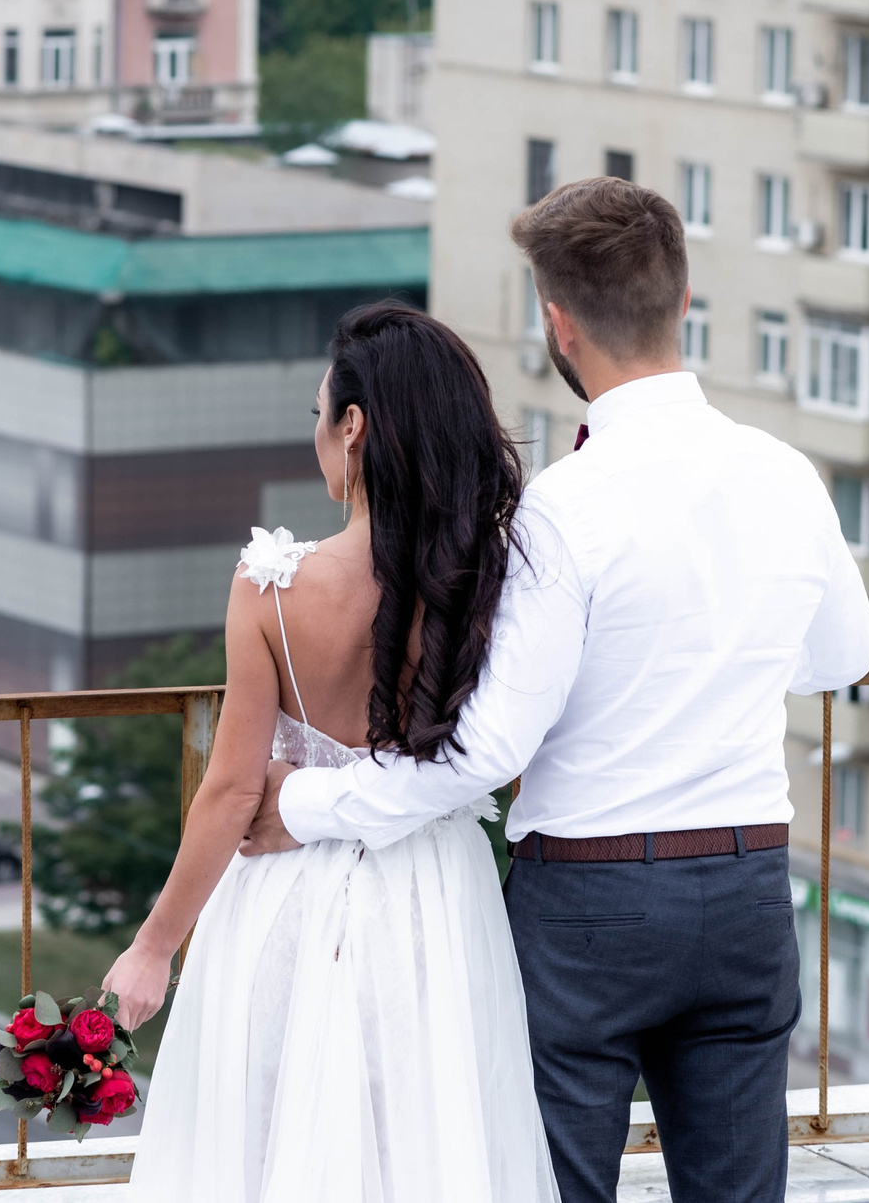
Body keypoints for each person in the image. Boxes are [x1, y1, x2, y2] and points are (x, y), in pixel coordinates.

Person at [243, 176, 869, 1203]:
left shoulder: (565, 507)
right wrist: (716, 654)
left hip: (591, 905)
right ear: (682, 301)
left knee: (551, 1186)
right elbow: (844, 654)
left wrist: (304, 802)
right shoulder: (784, 472)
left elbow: (486, 752)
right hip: (749, 881)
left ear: (556, 322)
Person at [104, 301, 558, 1203]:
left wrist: (155, 945)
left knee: (274, 1136)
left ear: (353, 428)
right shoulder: (491, 577)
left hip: (286, 890)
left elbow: (232, 790)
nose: (314, 434)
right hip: (436, 887)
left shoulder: (271, 587)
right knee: (432, 1134)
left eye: (319, 414)